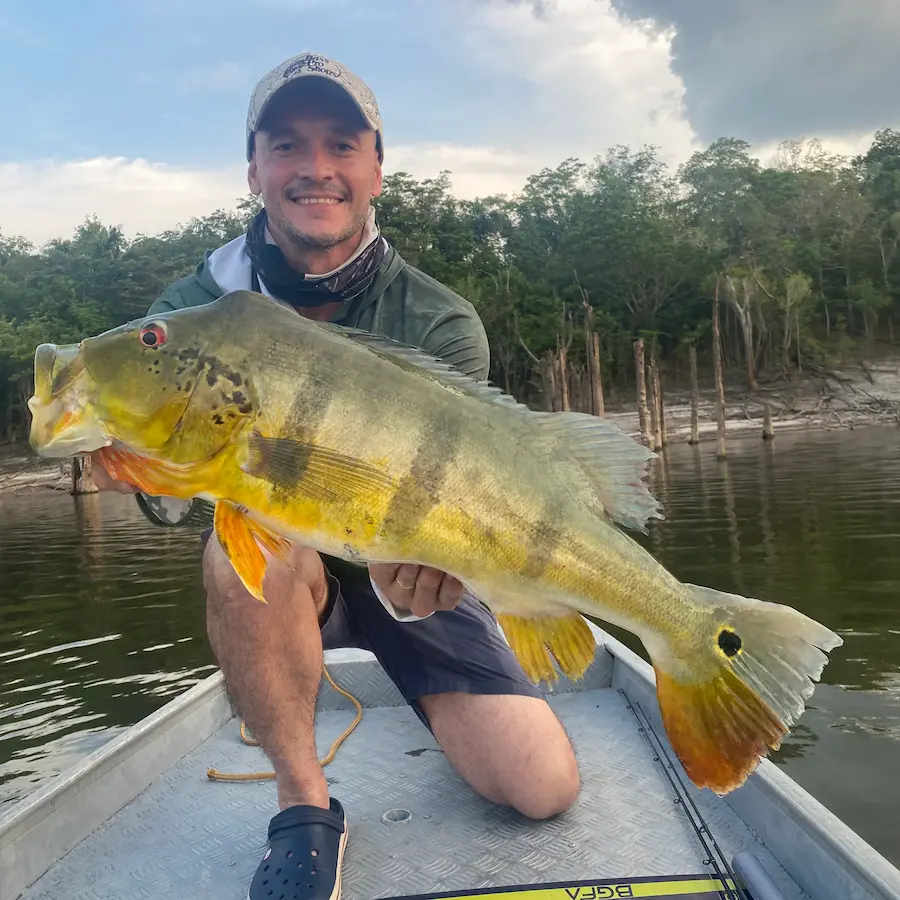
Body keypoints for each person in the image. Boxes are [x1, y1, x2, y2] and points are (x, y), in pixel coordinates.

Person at [91, 52, 580, 900]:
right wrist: (138, 468)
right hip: (284, 568)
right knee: (238, 556)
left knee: (541, 789)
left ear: (377, 168)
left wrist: (443, 575)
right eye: (287, 145)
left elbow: (467, 497)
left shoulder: (437, 319)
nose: (315, 167)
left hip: (405, 562)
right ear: (254, 169)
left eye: (342, 145)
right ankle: (305, 805)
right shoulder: (191, 313)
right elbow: (176, 506)